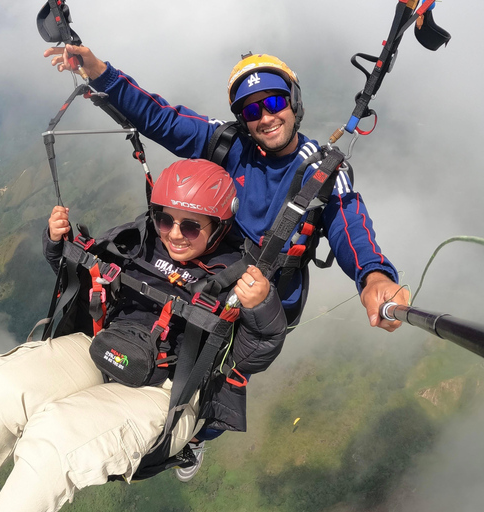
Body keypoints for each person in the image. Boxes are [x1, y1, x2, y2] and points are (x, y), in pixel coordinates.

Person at [0, 159, 287, 512]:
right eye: (165, 219)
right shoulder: (138, 239)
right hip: (105, 344)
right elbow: (81, 275)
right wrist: (56, 242)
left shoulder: (237, 276)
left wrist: (262, 306)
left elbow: (253, 355)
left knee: (53, 440)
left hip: (168, 390)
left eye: (191, 226)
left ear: (218, 226)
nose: (174, 234)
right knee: (5, 382)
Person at [44, 45, 411, 332]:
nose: (265, 117)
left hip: (257, 299)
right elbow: (162, 119)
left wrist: (374, 276)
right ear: (242, 118)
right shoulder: (228, 142)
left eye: (273, 102)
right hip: (202, 275)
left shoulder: (321, 172)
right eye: (252, 111)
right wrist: (98, 72)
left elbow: (350, 225)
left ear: (293, 102)